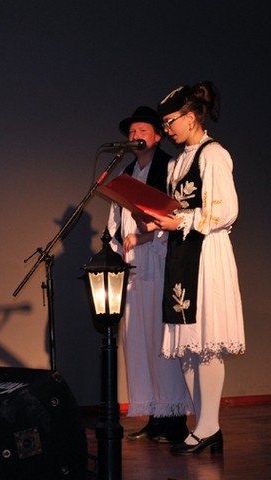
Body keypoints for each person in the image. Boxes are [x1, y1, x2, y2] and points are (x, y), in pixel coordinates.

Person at [145, 81, 245, 455]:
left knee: (205, 344)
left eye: (170, 121)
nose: (167, 129)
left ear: (190, 117)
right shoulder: (176, 163)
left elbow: (225, 211)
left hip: (206, 255)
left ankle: (209, 426)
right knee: (187, 344)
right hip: (182, 254)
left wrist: (180, 221)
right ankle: (202, 424)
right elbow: (177, 210)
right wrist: (158, 222)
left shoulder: (213, 155)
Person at [107, 106, 191, 444]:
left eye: (142, 131)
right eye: (131, 132)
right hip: (134, 265)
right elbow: (115, 220)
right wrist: (118, 244)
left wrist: (145, 236)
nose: (135, 137)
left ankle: (175, 418)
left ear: (157, 136)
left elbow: (178, 214)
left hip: (159, 260)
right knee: (139, 340)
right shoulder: (127, 172)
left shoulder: (169, 168)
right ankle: (155, 414)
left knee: (161, 339)